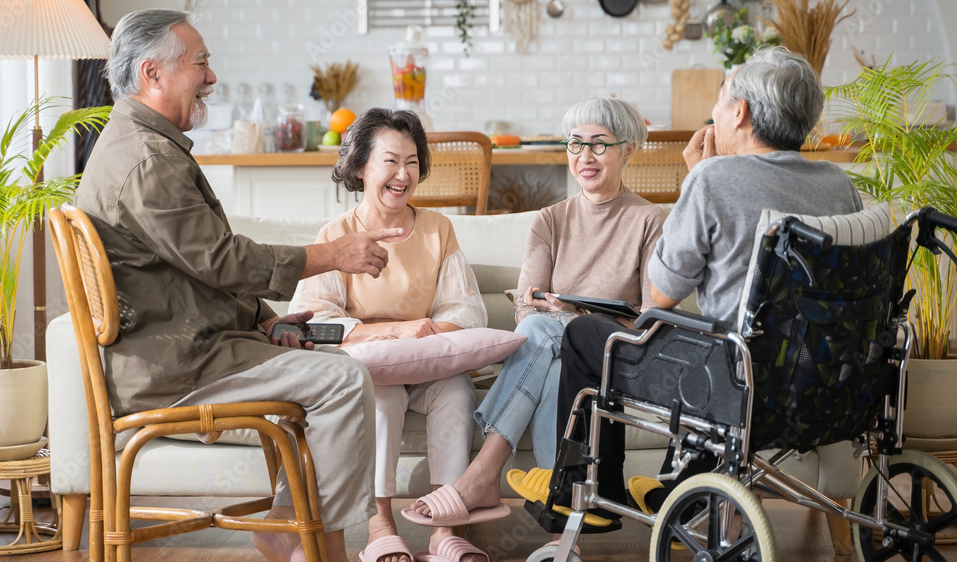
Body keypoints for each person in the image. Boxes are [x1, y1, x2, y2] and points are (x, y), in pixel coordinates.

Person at [75, 10, 401, 562]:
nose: (212, 77)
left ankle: (288, 524)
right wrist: (333, 255)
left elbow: (192, 270)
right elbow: (222, 260)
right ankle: (318, 544)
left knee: (330, 370)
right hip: (176, 368)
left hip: (182, 352)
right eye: (201, 62)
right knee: (345, 380)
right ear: (153, 73)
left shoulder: (138, 144)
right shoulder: (147, 161)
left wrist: (266, 320)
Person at [518, 46, 864, 521]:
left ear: (739, 112)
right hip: (824, 384)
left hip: (733, 381)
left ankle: (592, 487)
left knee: (585, 333)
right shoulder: (838, 183)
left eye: (720, 100)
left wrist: (698, 177)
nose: (715, 112)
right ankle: (675, 486)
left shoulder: (714, 178)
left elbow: (659, 296)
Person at [404, 98, 665, 529]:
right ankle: (564, 521)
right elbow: (527, 306)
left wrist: (574, 311)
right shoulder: (549, 220)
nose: (585, 156)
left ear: (629, 150)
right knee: (554, 354)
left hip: (614, 356)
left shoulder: (649, 221)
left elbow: (652, 323)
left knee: (547, 331)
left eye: (599, 145)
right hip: (556, 351)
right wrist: (556, 315)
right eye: (575, 144)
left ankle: (485, 471)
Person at [288, 108, 493, 562]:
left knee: (457, 390)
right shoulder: (337, 235)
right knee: (378, 397)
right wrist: (393, 332)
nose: (404, 174)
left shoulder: (439, 229)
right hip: (371, 370)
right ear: (360, 167)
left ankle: (446, 531)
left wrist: (424, 335)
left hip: (429, 363)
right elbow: (313, 321)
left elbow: (467, 308)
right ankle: (380, 527)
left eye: (413, 161)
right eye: (391, 161)